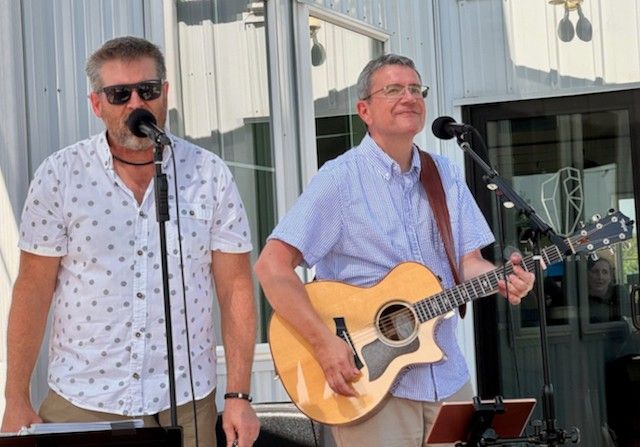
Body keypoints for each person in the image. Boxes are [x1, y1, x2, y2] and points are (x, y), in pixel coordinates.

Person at [254, 53, 535, 447]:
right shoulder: (339, 180)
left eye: (415, 88)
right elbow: (272, 267)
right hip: (369, 384)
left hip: (446, 377)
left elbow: (468, 264)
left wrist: (503, 279)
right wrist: (323, 343)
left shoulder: (446, 174)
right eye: (393, 89)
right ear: (364, 110)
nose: (409, 97)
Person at [1, 36, 260, 447]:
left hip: (187, 402)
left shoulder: (209, 175)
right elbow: (33, 288)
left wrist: (239, 394)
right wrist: (15, 398)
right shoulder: (61, 175)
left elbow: (236, 286)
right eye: (120, 93)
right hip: (84, 399)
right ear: (96, 104)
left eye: (148, 90)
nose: (136, 103)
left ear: (166, 95)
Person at [587, 257, 623, 323]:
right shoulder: (580, 297)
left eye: (604, 272)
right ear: (588, 275)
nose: (600, 277)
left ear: (610, 277)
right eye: (595, 272)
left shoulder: (619, 294)